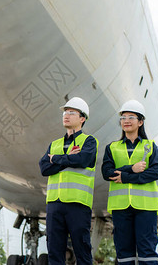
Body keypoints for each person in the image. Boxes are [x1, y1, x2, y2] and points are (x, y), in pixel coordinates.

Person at [39, 97, 99, 265]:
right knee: (54, 252)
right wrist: (67, 159)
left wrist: (56, 159)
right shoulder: (54, 144)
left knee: (82, 251)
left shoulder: (89, 141)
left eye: (72, 112)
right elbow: (44, 168)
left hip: (77, 204)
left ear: (82, 118)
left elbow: (83, 160)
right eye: (65, 112)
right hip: (54, 204)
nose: (66, 115)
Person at [101, 100, 158, 265]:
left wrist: (126, 176)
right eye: (123, 117)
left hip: (146, 207)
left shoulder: (150, 146)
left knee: (147, 251)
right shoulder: (112, 148)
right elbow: (107, 173)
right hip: (121, 207)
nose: (126, 120)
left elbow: (155, 173)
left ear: (140, 122)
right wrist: (131, 168)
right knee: (124, 252)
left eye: (131, 117)